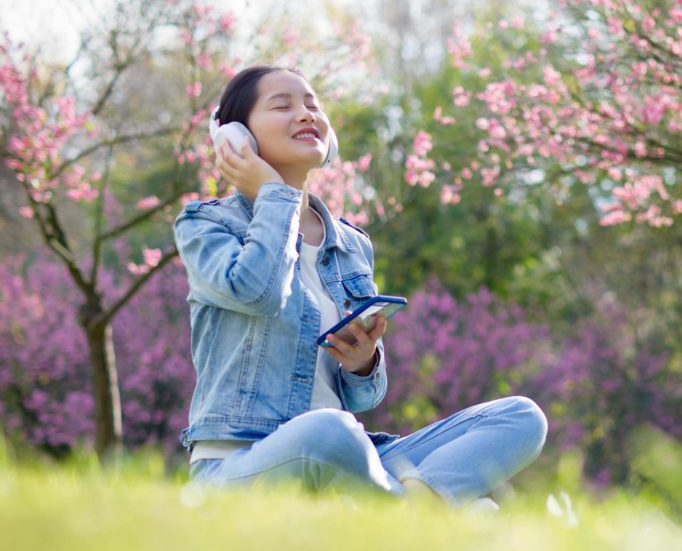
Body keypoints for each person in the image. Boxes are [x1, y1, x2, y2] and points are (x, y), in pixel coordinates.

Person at [174, 64, 547, 505]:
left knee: (521, 417)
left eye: (312, 105)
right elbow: (259, 293)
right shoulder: (207, 225)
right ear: (238, 136)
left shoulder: (351, 244)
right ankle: (425, 511)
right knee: (328, 430)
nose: (306, 114)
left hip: (349, 458)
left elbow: (366, 396)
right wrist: (275, 194)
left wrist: (363, 364)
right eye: (282, 105)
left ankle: (412, 508)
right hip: (242, 461)